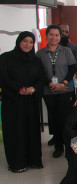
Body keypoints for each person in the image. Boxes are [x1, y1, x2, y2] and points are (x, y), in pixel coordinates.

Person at [0, 31, 44, 172]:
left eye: (31, 42)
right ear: (19, 42)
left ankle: (33, 160)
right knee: (15, 132)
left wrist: (33, 89)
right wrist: (19, 88)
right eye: (25, 41)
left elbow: (41, 79)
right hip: (13, 102)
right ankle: (17, 163)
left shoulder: (36, 60)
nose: (28, 44)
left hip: (30, 102)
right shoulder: (6, 58)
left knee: (31, 130)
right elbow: (3, 77)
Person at [36, 24, 77, 158]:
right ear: (47, 36)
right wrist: (50, 83)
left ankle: (70, 146)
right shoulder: (40, 53)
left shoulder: (66, 51)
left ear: (60, 37)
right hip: (49, 91)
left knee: (65, 119)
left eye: (57, 35)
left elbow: (72, 68)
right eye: (51, 35)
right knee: (54, 119)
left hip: (65, 90)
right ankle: (58, 146)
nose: (54, 37)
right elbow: (38, 73)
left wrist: (63, 83)